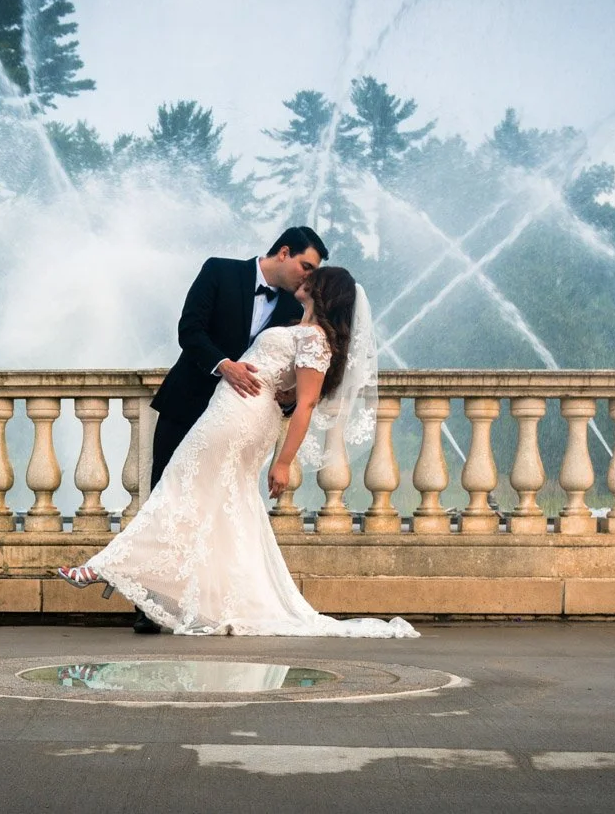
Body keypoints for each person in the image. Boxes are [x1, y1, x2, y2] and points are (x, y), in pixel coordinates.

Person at [54, 265, 417, 639]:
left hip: (239, 419)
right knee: (215, 503)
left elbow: (306, 403)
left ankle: (105, 567)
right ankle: (193, 593)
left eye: (315, 275)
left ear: (325, 290)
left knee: (178, 487)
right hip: (235, 414)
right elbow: (292, 388)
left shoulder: (314, 339)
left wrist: (284, 461)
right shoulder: (302, 331)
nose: (307, 275)